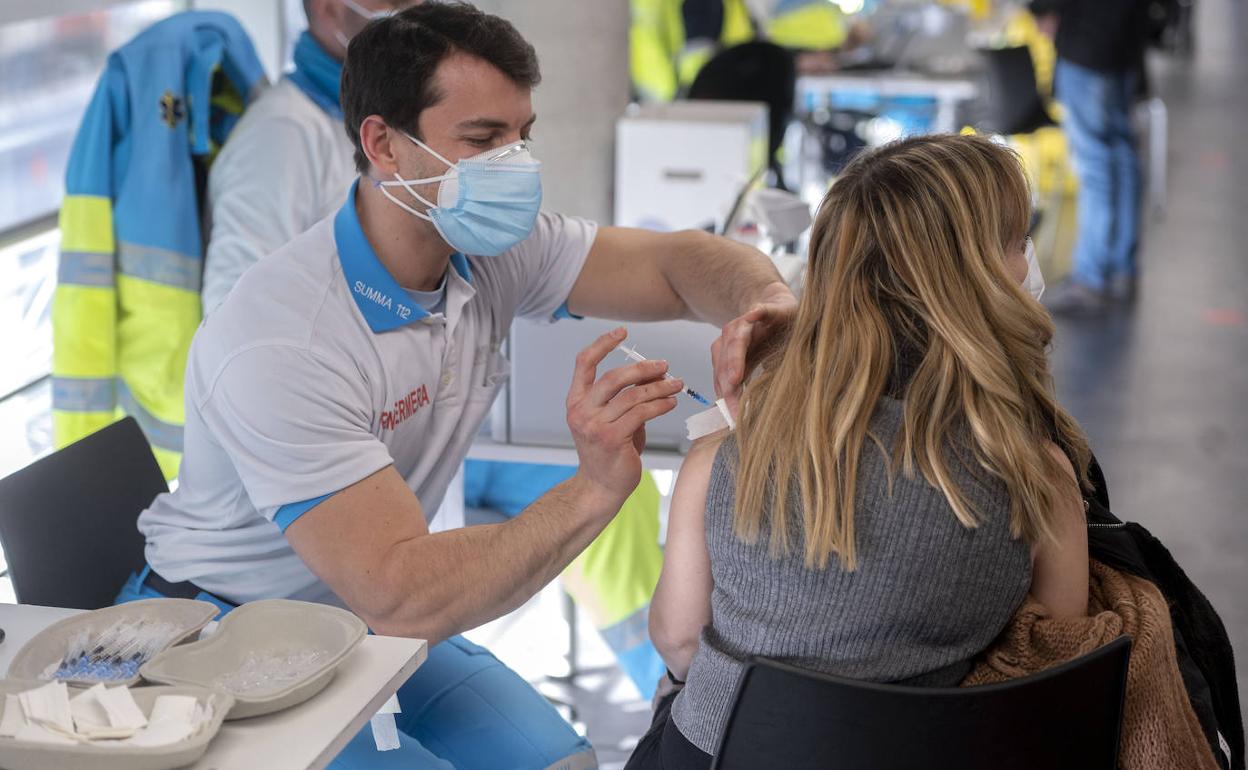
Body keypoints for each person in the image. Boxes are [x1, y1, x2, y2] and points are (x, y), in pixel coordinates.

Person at [117, 4, 797, 769]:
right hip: (226, 635)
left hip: (354, 621)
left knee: (567, 763)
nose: (516, 164)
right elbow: (403, 594)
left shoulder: (491, 252)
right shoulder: (284, 339)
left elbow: (674, 263)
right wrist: (595, 486)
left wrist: (765, 302)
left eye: (522, 136)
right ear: (384, 146)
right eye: (482, 140)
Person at [627, 134, 1093, 769]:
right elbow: (1052, 655)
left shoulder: (725, 460)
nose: (1027, 263)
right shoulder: (1036, 474)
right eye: (1017, 243)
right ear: (978, 277)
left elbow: (677, 640)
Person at [201, 0, 413, 315]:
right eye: (394, 1)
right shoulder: (281, 132)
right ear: (327, 8)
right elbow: (237, 309)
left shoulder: (382, 120)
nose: (415, 12)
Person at [1031, 0, 1151, 315]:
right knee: (1122, 158)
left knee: (1096, 166)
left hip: (1087, 46)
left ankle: (1091, 279)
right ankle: (1121, 269)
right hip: (1125, 47)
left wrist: (1041, 8)